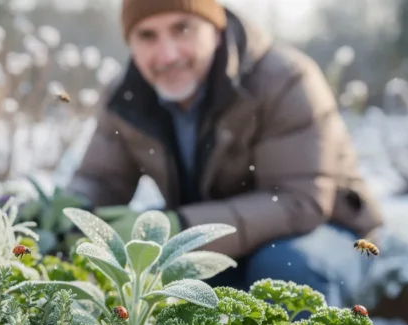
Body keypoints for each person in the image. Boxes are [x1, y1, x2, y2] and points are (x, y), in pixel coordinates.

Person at [64, 0, 385, 307]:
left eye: (182, 29)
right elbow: (101, 179)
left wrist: (179, 226)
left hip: (327, 232)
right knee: (152, 276)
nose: (167, 54)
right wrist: (66, 210)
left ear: (215, 29)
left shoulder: (285, 79)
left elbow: (300, 202)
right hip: (215, 235)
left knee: (284, 268)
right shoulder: (127, 97)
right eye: (147, 36)